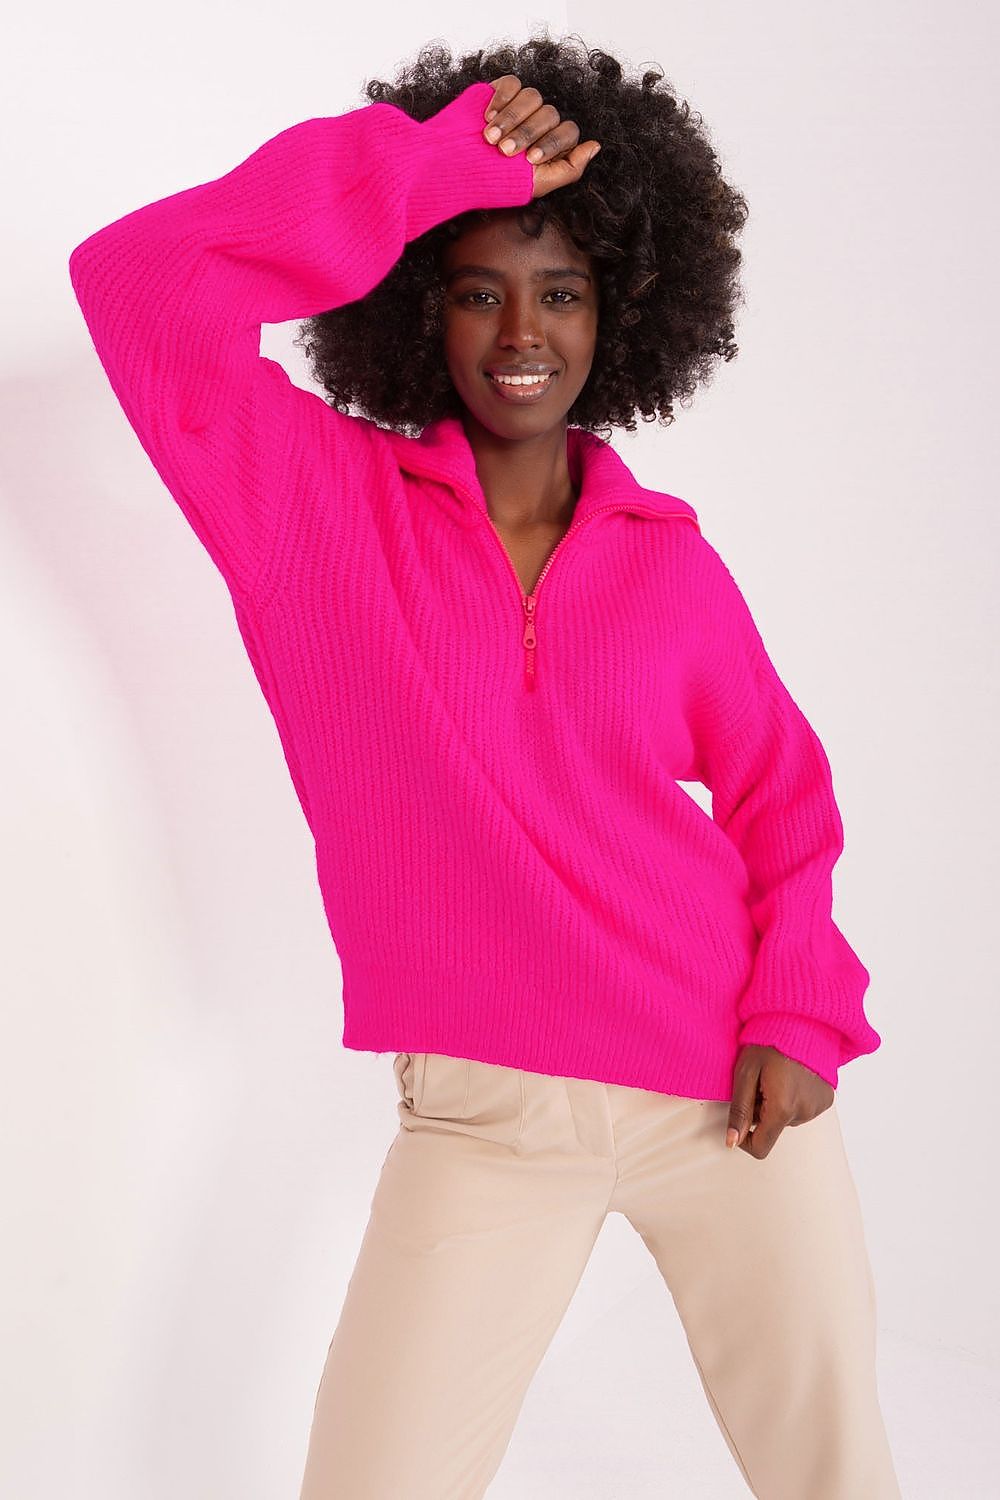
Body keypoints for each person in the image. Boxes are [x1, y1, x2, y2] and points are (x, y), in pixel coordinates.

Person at [68, 28, 902, 1500]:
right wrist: (427, 166)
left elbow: (784, 798)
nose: (524, 330)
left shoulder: (671, 564)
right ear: (420, 309)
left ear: (623, 315)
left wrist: (798, 1006)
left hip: (727, 1097)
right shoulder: (312, 508)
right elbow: (134, 283)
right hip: (482, 1122)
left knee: (836, 1477)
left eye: (563, 291)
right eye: (479, 288)